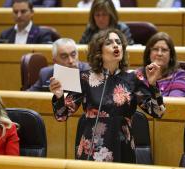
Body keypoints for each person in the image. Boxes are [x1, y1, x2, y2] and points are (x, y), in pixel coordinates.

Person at [50, 28, 165, 163]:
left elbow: (158, 112)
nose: (116, 45)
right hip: (92, 150)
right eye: (109, 43)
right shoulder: (85, 78)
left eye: (118, 42)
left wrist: (152, 85)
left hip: (123, 148)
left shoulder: (133, 78)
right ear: (99, 51)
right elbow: (61, 115)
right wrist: (59, 96)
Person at [136, 32, 185, 97]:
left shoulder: (179, 76)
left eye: (164, 50)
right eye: (155, 49)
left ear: (171, 55)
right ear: (149, 53)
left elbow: (174, 104)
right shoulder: (137, 75)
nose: (159, 53)